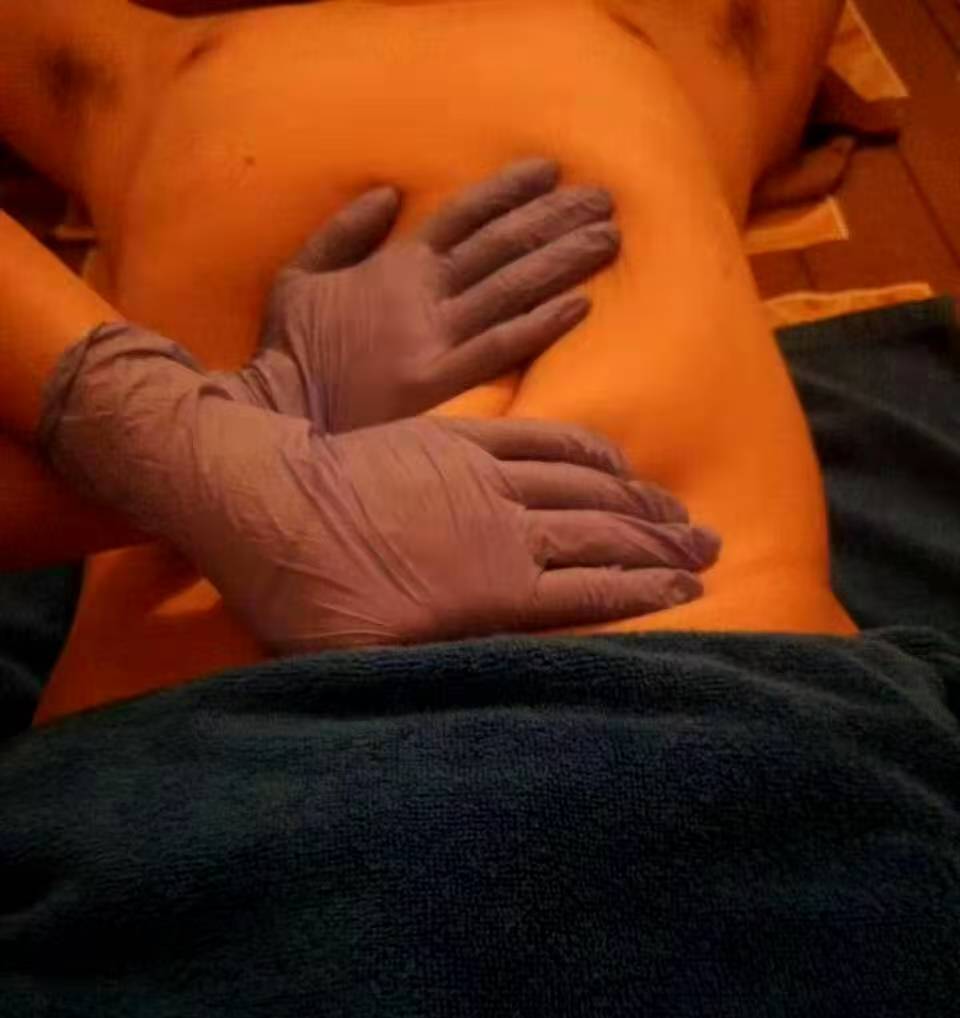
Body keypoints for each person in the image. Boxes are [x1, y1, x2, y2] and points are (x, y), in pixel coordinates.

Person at [0, 0, 852, 718]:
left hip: (730, 688)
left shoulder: (682, 44)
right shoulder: (124, 71)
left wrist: (218, 444)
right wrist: (197, 448)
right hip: (729, 687)